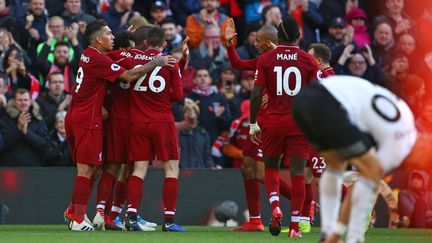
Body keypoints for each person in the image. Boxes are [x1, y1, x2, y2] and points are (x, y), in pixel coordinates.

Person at [63, 19, 176, 231]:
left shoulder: (89, 54)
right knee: (87, 169)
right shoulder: (99, 59)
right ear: (98, 39)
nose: (112, 38)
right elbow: (127, 75)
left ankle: (74, 211)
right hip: (87, 118)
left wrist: (124, 37)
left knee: (93, 169)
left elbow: (116, 58)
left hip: (77, 114)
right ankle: (77, 217)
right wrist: (155, 63)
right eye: (109, 34)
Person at [291, 75, 417, 243]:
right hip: (328, 104)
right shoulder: (401, 145)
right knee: (369, 171)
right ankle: (354, 237)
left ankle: (327, 234)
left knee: (335, 164)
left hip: (302, 101)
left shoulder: (405, 115)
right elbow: (363, 182)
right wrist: (340, 230)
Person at [249, 16, 320, 237]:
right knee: (298, 173)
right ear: (299, 36)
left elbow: (256, 93)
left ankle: (275, 206)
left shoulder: (266, 59)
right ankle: (296, 227)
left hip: (273, 123)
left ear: (278, 37)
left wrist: (253, 123)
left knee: (270, 167)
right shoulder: (309, 61)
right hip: (299, 123)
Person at [224, 20, 293, 232]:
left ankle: (306, 202)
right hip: (256, 121)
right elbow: (237, 64)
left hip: (271, 122)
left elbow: (289, 89)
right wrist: (229, 44)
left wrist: (270, 96)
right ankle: (255, 220)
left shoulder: (283, 62)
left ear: (271, 41)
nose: (255, 43)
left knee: (263, 173)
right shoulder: (262, 60)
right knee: (246, 167)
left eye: (259, 41)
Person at [116, 26, 186, 232]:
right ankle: (169, 220)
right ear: (164, 44)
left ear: (145, 43)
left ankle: (131, 216)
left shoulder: (133, 60)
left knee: (138, 169)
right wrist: (181, 65)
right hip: (162, 121)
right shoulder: (171, 62)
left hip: (137, 122)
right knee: (172, 169)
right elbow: (178, 96)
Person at [0, 89, 51, 166]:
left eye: (26, 100)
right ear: (14, 102)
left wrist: (26, 133)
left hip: (34, 169)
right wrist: (19, 129)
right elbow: (3, 144)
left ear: (30, 101)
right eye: (20, 100)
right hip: (10, 169)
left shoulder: (38, 120)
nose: (23, 103)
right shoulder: (4, 120)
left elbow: (44, 145)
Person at [177, 98, 215, 169]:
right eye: (187, 111)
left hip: (200, 172)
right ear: (183, 115)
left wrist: (212, 168)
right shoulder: (177, 131)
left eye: (194, 111)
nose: (191, 114)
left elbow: (207, 156)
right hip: (181, 172)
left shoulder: (203, 133)